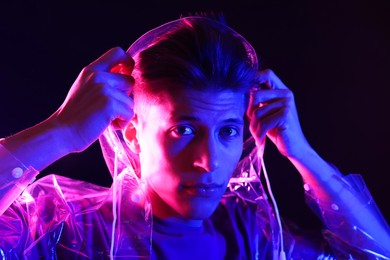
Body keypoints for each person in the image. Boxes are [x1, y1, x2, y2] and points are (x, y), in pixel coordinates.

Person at [0, 14, 389, 259]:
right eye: (183, 130)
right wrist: (60, 130)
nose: (209, 160)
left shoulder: (254, 237)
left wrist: (303, 154)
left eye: (228, 131)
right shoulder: (61, 224)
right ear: (133, 134)